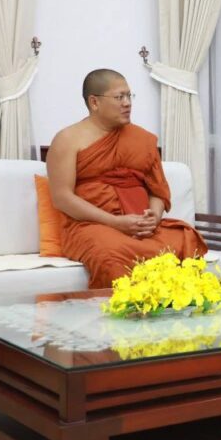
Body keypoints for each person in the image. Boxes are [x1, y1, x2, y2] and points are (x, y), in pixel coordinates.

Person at [47, 69, 208, 288]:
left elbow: (157, 190)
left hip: (139, 227)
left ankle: (176, 305)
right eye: (119, 97)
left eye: (129, 96)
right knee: (109, 253)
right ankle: (127, 307)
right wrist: (115, 222)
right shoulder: (68, 139)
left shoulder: (141, 139)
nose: (127, 103)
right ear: (94, 102)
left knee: (183, 239)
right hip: (92, 226)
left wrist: (153, 218)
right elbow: (62, 198)